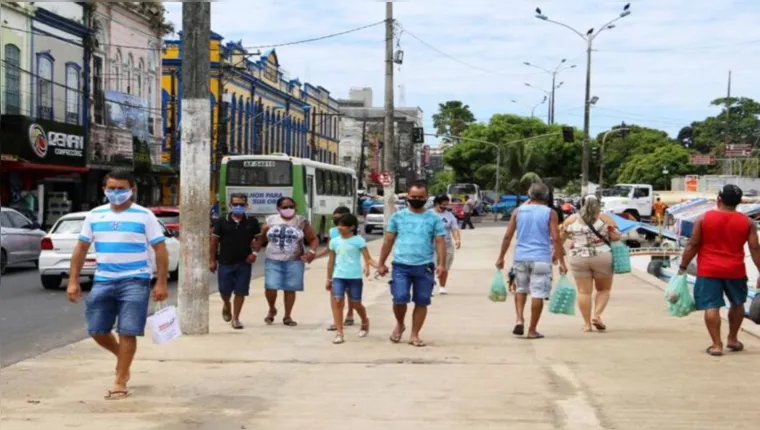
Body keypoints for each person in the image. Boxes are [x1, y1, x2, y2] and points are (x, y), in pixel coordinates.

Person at [66, 170, 169, 400]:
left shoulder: (144, 216)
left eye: (120, 188)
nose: (115, 193)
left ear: (131, 190)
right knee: (96, 329)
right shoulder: (94, 215)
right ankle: (122, 358)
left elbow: (160, 249)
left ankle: (120, 380)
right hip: (103, 279)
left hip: (135, 279)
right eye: (111, 188)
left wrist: (161, 282)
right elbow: (81, 248)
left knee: (128, 331)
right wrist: (73, 280)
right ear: (104, 189)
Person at [678, 184, 760, 356]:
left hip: (708, 270)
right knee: (737, 304)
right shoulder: (748, 222)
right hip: (735, 270)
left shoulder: (703, 219)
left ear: (718, 199)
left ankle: (716, 345)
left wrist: (683, 267)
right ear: (738, 202)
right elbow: (754, 249)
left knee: (711, 306)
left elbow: (693, 245)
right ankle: (733, 338)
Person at [377, 180, 446, 347]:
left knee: (422, 300)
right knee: (400, 298)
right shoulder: (398, 217)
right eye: (413, 196)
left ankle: (415, 334)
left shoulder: (434, 218)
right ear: (407, 197)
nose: (416, 199)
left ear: (426, 198)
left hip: (425, 266)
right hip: (401, 265)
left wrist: (441, 264)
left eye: (420, 197)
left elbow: (439, 241)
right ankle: (400, 324)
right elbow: (388, 241)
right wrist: (381, 263)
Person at [495, 183, 566, 339]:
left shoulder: (518, 211)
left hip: (521, 257)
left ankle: (519, 319)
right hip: (541, 258)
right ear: (546, 196)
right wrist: (562, 262)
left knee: (521, 289)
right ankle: (532, 330)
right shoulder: (550, 213)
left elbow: (507, 236)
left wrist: (501, 257)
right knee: (538, 293)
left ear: (529, 195)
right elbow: (555, 238)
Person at [254, 197, 318, 326]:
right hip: (273, 259)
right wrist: (255, 251)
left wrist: (311, 252)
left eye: (291, 206)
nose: (288, 209)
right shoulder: (270, 220)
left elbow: (313, 239)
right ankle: (272, 309)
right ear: (278, 209)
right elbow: (260, 238)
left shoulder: (301, 221)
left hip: (294, 259)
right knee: (271, 287)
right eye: (284, 207)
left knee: (290, 288)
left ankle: (287, 316)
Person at [561, 195, 621, 332]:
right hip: (602, 256)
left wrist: (559, 255)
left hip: (578, 257)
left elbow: (560, 238)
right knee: (603, 290)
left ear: (580, 204)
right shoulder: (605, 218)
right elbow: (617, 236)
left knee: (584, 292)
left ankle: (587, 324)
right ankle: (597, 315)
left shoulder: (571, 219)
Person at [209, 193, 261, 329]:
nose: (238, 207)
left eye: (241, 204)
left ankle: (236, 318)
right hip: (225, 261)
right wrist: (212, 260)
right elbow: (214, 242)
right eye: (235, 204)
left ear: (246, 206)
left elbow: (258, 240)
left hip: (244, 262)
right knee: (224, 290)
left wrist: (254, 253)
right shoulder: (222, 221)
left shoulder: (252, 222)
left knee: (240, 291)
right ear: (230, 205)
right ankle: (226, 304)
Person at [326, 214, 376, 344]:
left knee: (355, 304)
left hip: (354, 277)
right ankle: (339, 332)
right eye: (338, 225)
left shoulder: (358, 241)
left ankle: (365, 321)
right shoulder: (334, 241)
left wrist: (378, 266)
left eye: (343, 225)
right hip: (338, 277)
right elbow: (331, 261)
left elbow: (368, 258)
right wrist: (328, 278)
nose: (339, 227)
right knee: (337, 301)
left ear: (352, 227)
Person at [316, 206, 356, 330]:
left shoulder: (354, 234)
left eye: (340, 217)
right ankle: (337, 320)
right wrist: (313, 256)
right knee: (336, 295)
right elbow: (328, 249)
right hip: (335, 268)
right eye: (335, 217)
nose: (337, 220)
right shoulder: (332, 231)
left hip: (350, 268)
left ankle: (350, 313)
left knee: (350, 293)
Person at [432, 195, 461, 295]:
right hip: (431, 245)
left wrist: (457, 239)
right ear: (437, 203)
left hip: (446, 245)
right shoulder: (428, 214)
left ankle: (442, 286)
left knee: (444, 267)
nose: (445, 207)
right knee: (430, 266)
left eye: (446, 205)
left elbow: (454, 228)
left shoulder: (449, 215)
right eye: (443, 205)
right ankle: (430, 286)